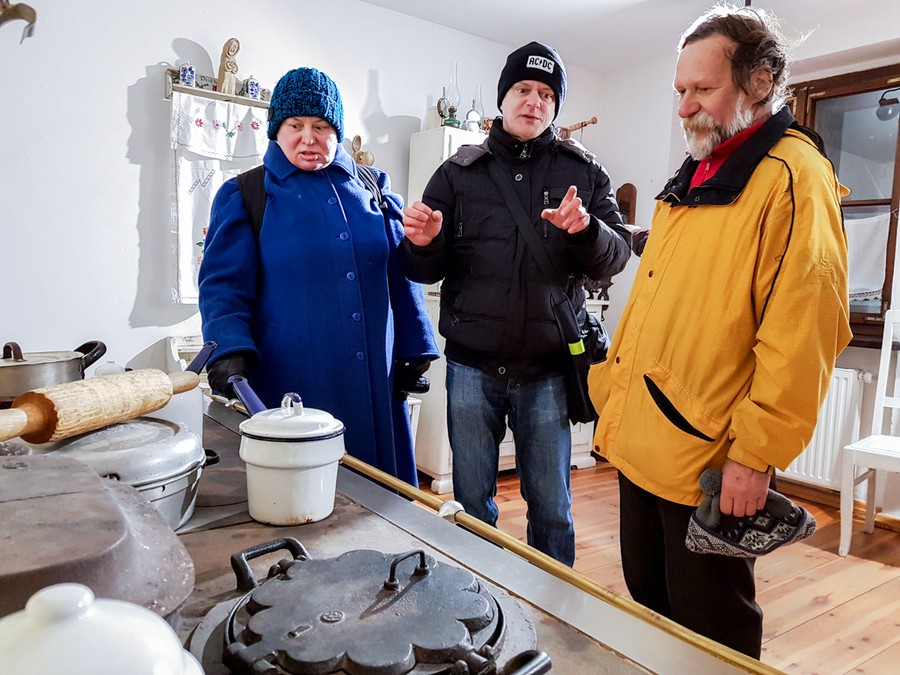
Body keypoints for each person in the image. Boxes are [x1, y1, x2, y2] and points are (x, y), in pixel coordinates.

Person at [588, 6, 850, 658]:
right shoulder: (694, 174)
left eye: (701, 89)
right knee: (651, 608)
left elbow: (802, 334)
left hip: (708, 461)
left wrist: (755, 454)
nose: (684, 106)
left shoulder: (794, 177)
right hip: (642, 438)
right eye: (680, 90)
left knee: (713, 639)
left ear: (760, 82)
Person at [400, 42, 631, 565]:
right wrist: (423, 241)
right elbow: (421, 270)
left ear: (556, 107)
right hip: (470, 366)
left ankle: (553, 608)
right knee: (471, 502)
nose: (534, 101)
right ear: (505, 98)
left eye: (547, 94)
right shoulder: (457, 172)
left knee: (551, 508)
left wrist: (586, 230)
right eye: (524, 89)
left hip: (548, 368)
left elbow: (614, 257)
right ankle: (476, 599)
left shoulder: (584, 171)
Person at [199, 66, 438, 486]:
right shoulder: (247, 195)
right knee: (308, 498)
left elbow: (399, 275)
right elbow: (223, 287)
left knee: (383, 505)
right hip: (292, 383)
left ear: (338, 130)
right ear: (276, 129)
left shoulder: (375, 189)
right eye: (295, 125)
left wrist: (414, 347)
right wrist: (227, 350)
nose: (308, 138)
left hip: (374, 383)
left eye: (321, 126)